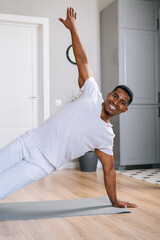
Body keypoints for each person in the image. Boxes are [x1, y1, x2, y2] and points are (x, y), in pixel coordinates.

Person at [0, 7, 137, 208]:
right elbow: (82, 59)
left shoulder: (106, 137)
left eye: (121, 103)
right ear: (109, 94)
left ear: (124, 110)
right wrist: (73, 28)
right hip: (28, 141)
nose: (115, 102)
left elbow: (109, 170)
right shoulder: (92, 93)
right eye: (115, 96)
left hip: (42, 163)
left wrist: (114, 200)